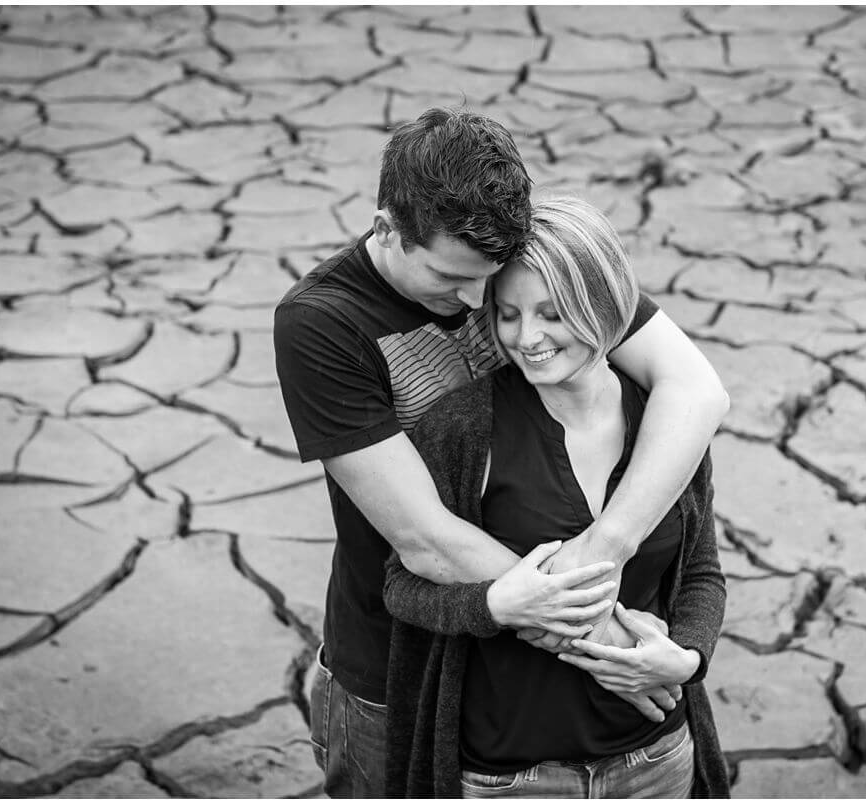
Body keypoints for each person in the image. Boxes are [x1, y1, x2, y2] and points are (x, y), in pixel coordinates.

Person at [274, 108, 730, 798]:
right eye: (454, 279)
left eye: (493, 278)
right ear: (386, 231)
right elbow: (424, 542)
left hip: (583, 713)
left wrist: (608, 543)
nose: (482, 303)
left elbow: (694, 389)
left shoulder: (521, 267)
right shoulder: (324, 323)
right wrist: (615, 645)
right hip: (394, 674)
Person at [383, 196, 728, 798]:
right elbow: (402, 586)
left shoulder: (666, 424)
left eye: (552, 313)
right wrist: (496, 604)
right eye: (509, 315)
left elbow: (700, 570)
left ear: (604, 306)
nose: (528, 337)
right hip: (511, 776)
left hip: (656, 760)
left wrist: (688, 660)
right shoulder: (464, 428)